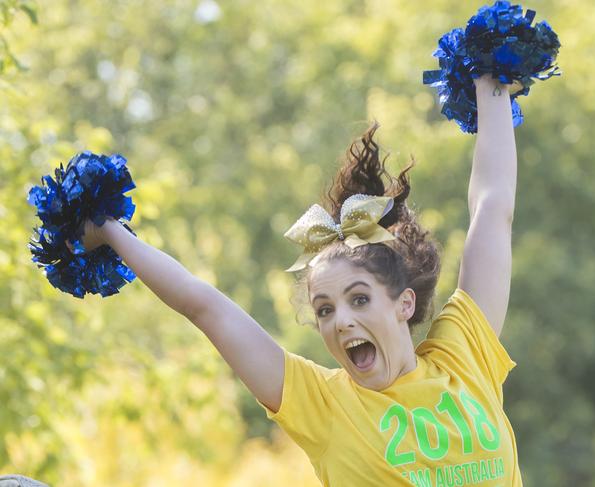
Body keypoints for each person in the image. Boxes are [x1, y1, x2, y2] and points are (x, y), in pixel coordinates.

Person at [78, 73, 521, 486]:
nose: (340, 321)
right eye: (325, 309)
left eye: (359, 300)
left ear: (404, 303)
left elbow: (493, 210)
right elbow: (205, 307)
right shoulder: (324, 405)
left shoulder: (463, 357)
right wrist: (108, 230)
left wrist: (491, 77)